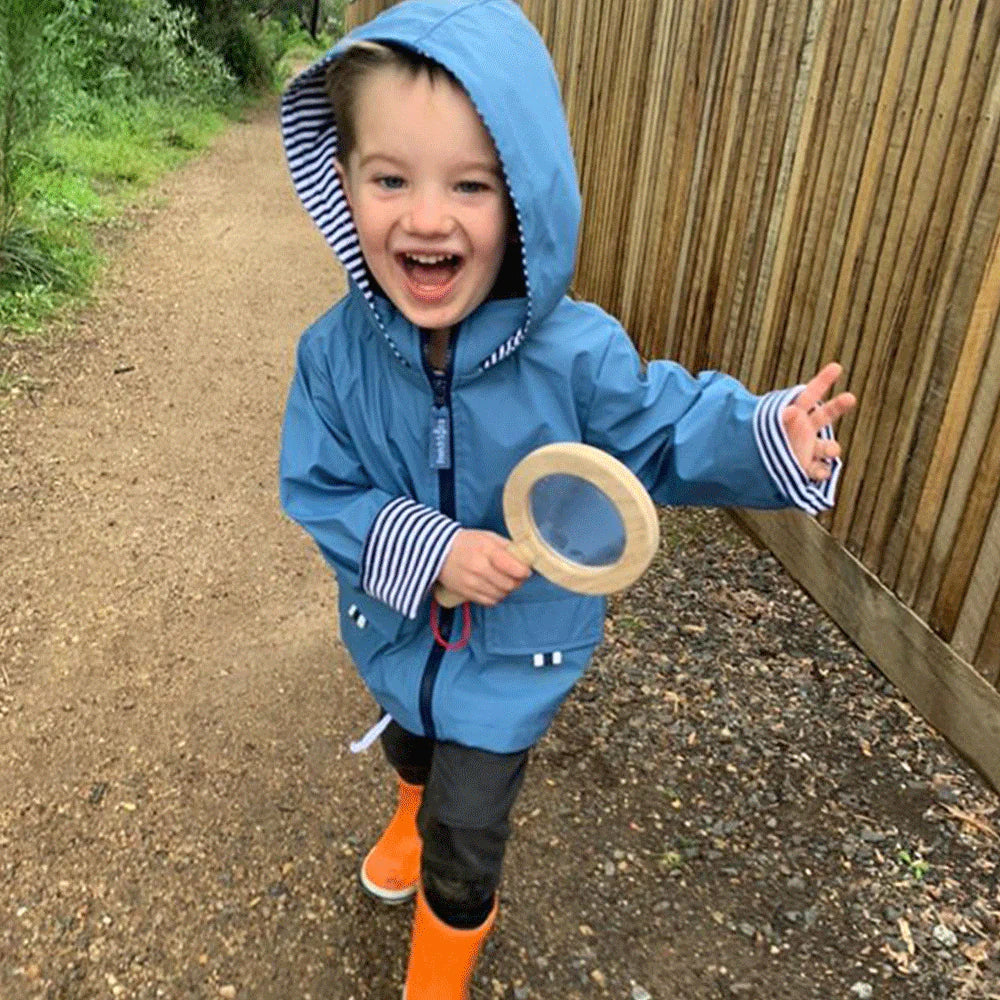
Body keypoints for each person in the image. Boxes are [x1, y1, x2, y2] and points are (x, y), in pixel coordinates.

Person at [278, 2, 856, 996]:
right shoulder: (333, 355)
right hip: (395, 628)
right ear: (343, 180)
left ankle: (436, 967)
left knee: (469, 831)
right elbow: (319, 484)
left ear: (525, 197)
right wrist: (430, 551)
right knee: (409, 740)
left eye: (470, 184)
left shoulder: (576, 353)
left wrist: (766, 434)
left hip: (514, 654)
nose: (427, 217)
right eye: (391, 179)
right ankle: (408, 810)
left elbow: (663, 430)